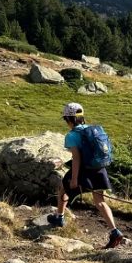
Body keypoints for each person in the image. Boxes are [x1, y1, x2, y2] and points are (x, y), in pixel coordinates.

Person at [48, 102, 124, 249]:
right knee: (100, 201)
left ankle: (59, 217)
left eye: (66, 119)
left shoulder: (72, 135)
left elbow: (76, 158)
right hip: (99, 169)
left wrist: (75, 179)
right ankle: (115, 231)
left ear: (69, 119)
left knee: (63, 187)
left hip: (84, 170)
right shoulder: (92, 130)